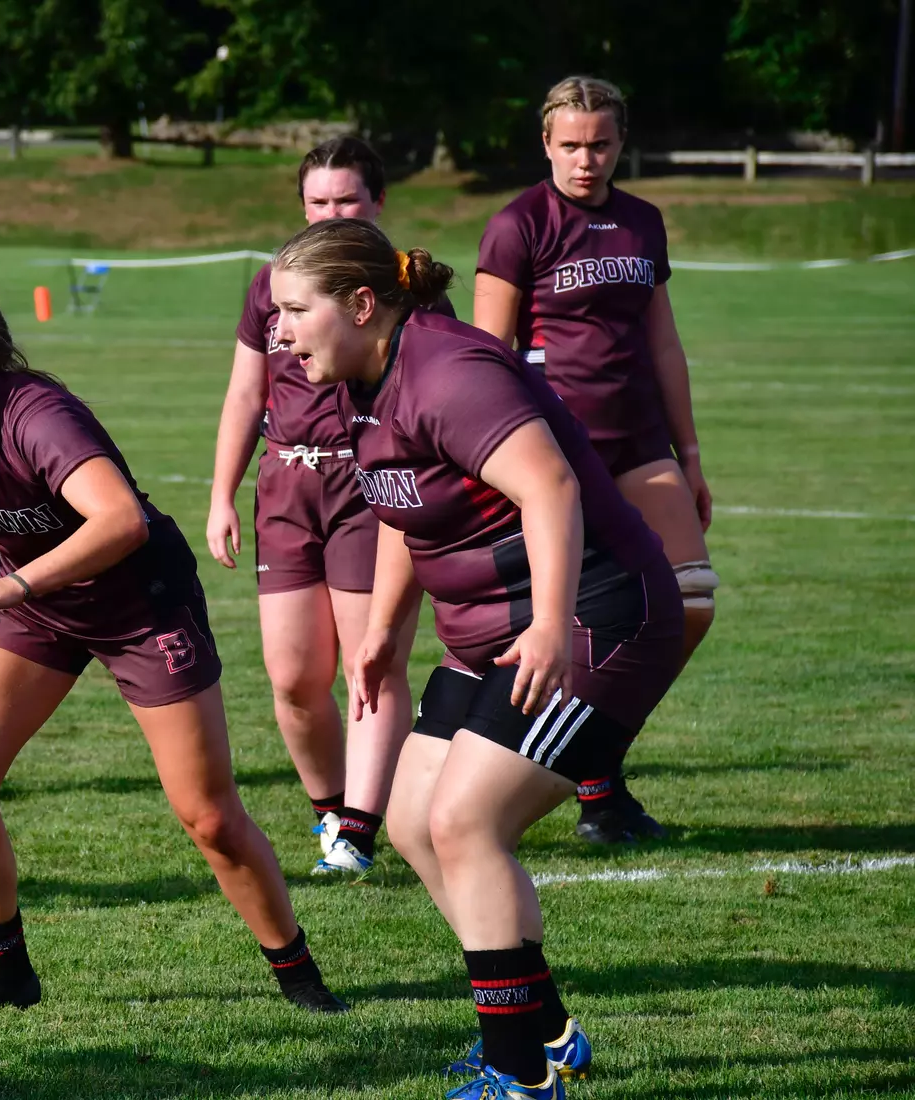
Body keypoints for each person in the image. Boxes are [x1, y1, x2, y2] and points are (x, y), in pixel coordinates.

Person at [0, 257, 348, 1014]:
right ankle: (7, 974)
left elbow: (121, 521)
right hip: (40, 600)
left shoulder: (36, 415)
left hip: (139, 603)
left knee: (208, 816)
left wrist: (8, 584)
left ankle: (299, 976)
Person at [268, 218, 683, 1097]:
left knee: (465, 824)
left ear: (363, 303)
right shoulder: (362, 377)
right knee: (414, 822)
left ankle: (520, 1076)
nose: (282, 331)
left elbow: (552, 487)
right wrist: (380, 632)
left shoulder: (450, 372)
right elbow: (399, 501)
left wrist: (550, 624)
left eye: (298, 310)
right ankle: (548, 1032)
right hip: (487, 630)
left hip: (595, 619)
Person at [473, 76, 715, 844]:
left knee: (692, 603)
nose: (587, 159)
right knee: (578, 623)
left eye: (601, 144)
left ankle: (594, 758)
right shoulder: (518, 225)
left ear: (621, 143)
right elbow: (487, 359)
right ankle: (596, 789)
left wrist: (693, 454)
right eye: (571, 145)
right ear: (546, 143)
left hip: (641, 444)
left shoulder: (643, 221)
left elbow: (663, 343)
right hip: (557, 458)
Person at [206, 137, 426, 875]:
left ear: (379, 202)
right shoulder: (274, 282)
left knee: (372, 663)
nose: (333, 213)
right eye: (318, 202)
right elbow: (246, 392)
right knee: (294, 678)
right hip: (285, 489)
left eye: (348, 200)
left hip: (370, 489)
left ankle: (360, 831)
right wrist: (223, 494)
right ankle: (330, 813)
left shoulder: (401, 288)